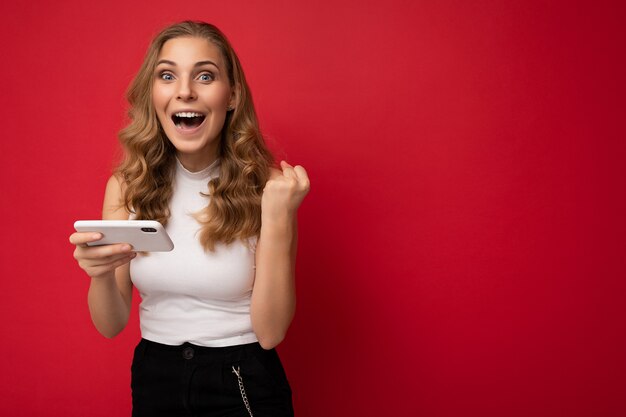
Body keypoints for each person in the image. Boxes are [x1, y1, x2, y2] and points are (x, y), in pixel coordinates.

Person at [69, 21, 309, 417]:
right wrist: (99, 273)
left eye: (204, 75)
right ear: (154, 94)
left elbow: (270, 333)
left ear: (231, 95)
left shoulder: (269, 189)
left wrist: (280, 219)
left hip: (242, 379)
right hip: (154, 377)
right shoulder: (127, 186)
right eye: (167, 75)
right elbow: (110, 324)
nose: (184, 90)